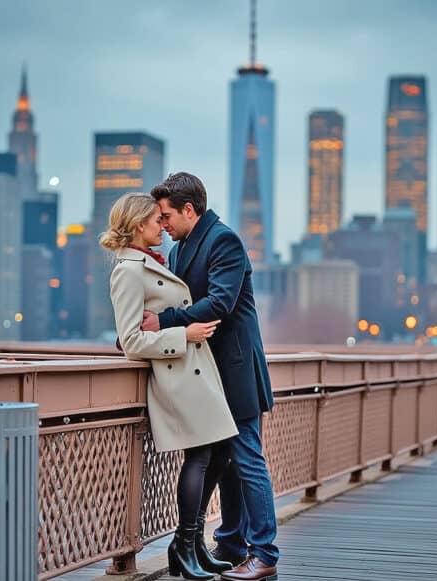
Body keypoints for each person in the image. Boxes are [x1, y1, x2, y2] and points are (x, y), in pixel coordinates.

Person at [142, 173, 279, 581]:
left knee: (247, 459)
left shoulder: (223, 240)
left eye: (166, 216)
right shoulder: (184, 247)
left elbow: (220, 302)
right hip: (209, 373)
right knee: (231, 463)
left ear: (189, 210)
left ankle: (265, 554)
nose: (162, 224)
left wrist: (163, 322)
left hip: (235, 371)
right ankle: (233, 544)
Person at [101, 192, 238, 580]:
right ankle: (186, 542)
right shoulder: (128, 270)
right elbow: (130, 341)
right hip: (176, 374)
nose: (162, 226)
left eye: (163, 220)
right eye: (155, 221)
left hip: (195, 369)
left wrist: (182, 331)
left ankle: (189, 544)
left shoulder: (155, 261)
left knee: (221, 450)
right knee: (199, 456)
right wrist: (184, 333)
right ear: (137, 225)